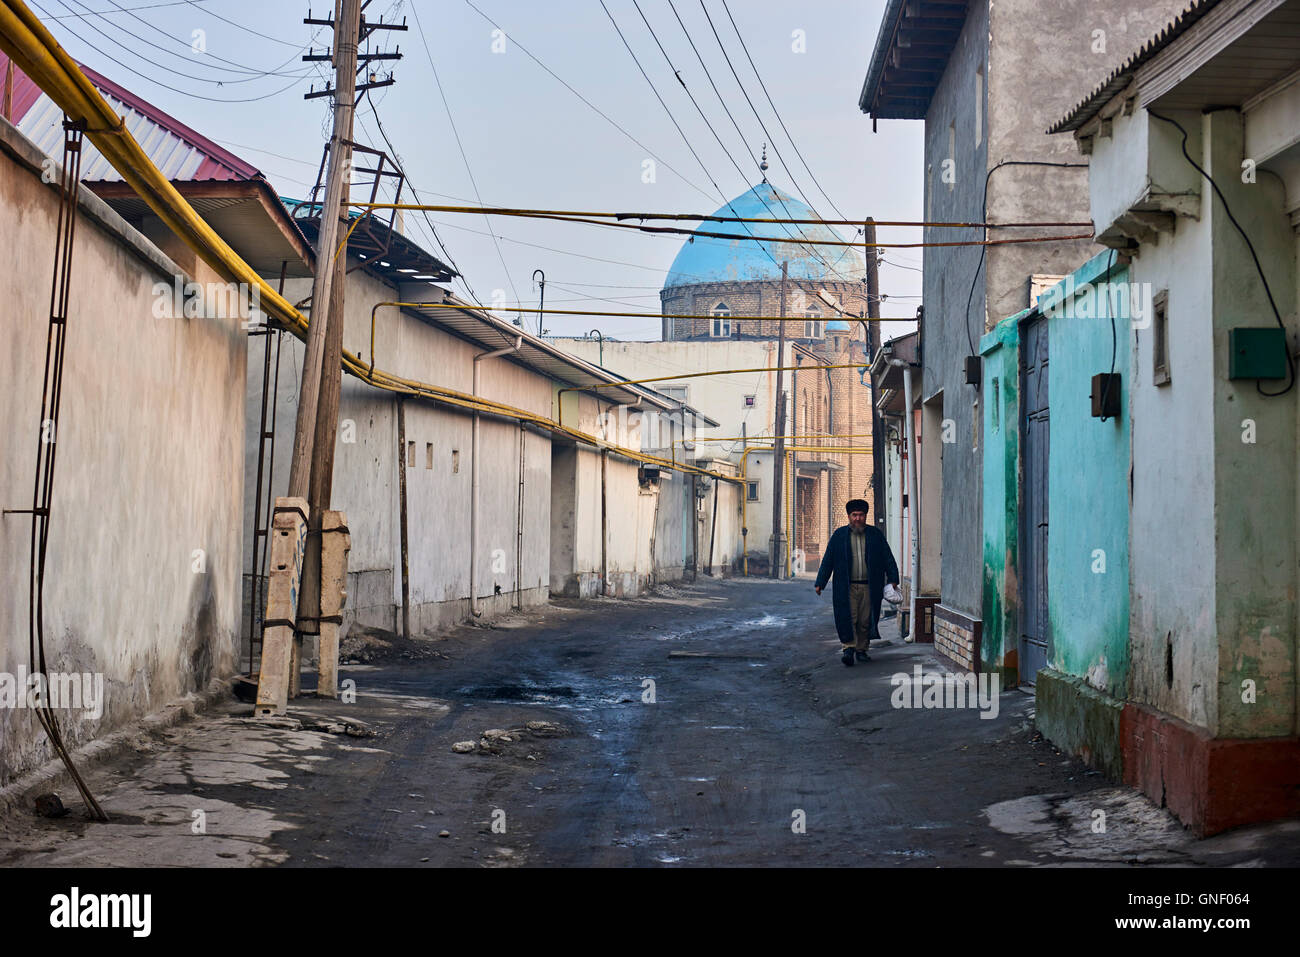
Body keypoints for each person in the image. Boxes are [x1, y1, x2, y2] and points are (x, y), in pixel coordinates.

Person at [814, 499, 900, 666]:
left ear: (865, 516)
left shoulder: (875, 535)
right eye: (854, 515)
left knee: (865, 620)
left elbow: (887, 558)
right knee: (848, 617)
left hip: (869, 586)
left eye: (861, 515)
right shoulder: (839, 536)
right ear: (849, 516)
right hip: (846, 587)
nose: (857, 518)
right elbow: (828, 560)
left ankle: (861, 650)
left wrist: (893, 579)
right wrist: (820, 582)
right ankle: (848, 648)